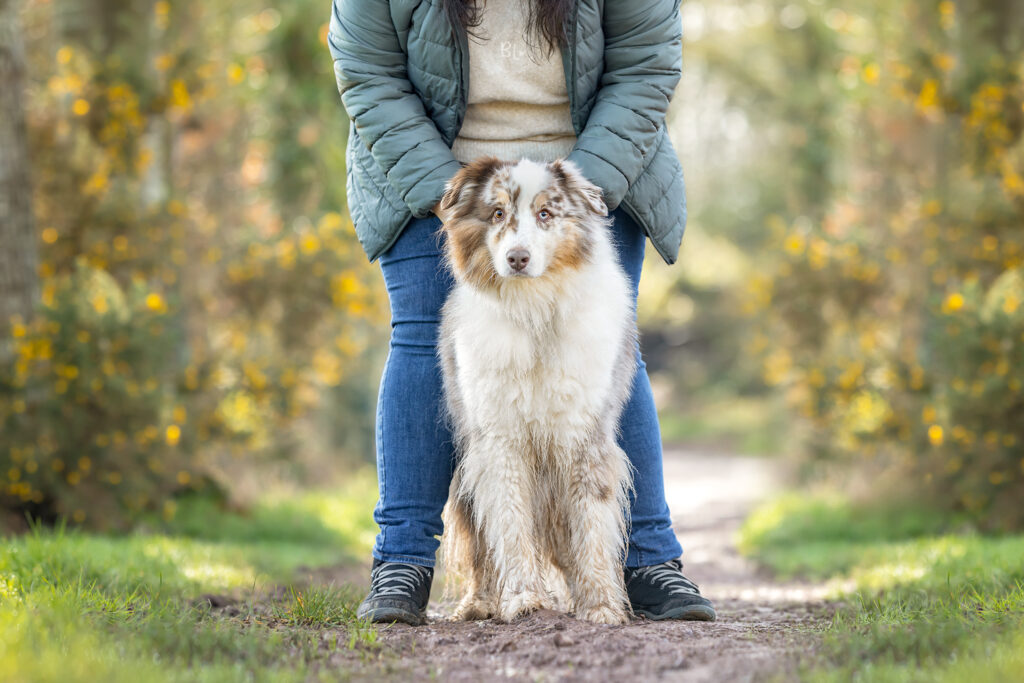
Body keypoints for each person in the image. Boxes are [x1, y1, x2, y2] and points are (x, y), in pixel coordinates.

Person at [327, 0, 716, 625]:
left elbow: (645, 67)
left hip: (583, 177)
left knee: (610, 347)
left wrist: (576, 194)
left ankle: (648, 559)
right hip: (442, 179)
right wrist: (453, 197)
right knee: (423, 334)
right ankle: (402, 562)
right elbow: (369, 73)